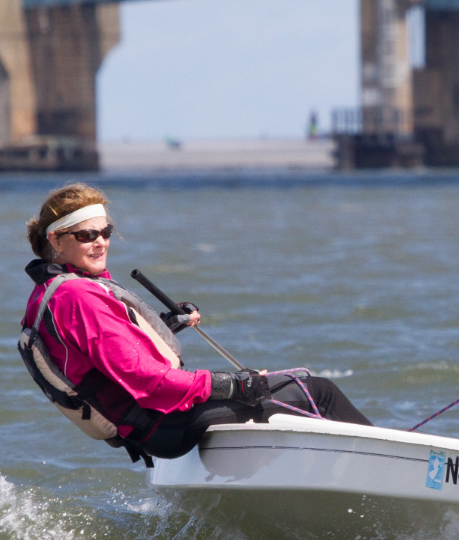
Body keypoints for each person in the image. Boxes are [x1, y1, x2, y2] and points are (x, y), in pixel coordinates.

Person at [20, 183, 370, 465]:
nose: (100, 242)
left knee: (285, 389)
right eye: (86, 235)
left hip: (147, 425)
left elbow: (101, 354)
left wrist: (164, 326)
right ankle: (383, 468)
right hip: (164, 423)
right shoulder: (77, 296)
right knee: (315, 391)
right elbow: (146, 380)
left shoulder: (49, 292)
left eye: (105, 231)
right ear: (55, 240)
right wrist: (233, 386)